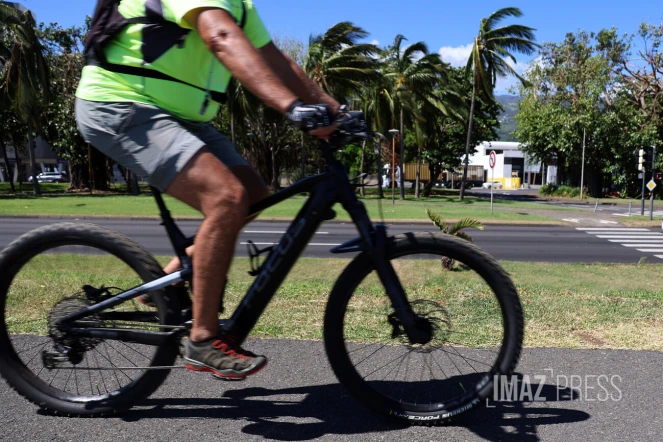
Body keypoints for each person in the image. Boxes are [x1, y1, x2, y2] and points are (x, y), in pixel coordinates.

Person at [75, 0, 340, 379]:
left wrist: (334, 111)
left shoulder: (240, 5)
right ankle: (202, 340)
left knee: (254, 194)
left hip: (179, 114)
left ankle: (162, 287)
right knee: (227, 197)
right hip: (122, 102)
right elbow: (219, 36)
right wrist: (292, 107)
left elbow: (281, 64)